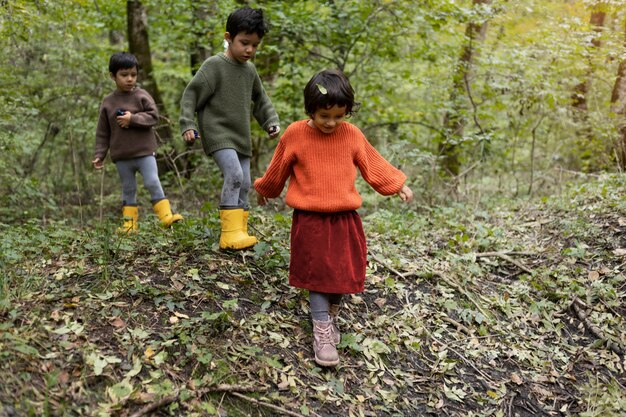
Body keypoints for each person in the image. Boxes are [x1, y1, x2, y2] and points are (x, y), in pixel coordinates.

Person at [254, 69, 414, 367]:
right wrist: (265, 188)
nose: (331, 123)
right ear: (311, 110)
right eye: (324, 116)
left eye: (338, 116)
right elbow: (278, 169)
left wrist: (396, 185)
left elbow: (373, 163)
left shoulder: (351, 134)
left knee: (342, 270)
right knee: (318, 274)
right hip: (310, 217)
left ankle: (331, 313)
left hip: (344, 217)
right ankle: (321, 328)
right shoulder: (295, 134)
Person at [179, 6, 280, 250]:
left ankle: (240, 232)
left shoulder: (250, 70)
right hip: (217, 132)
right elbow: (190, 95)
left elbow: (261, 99)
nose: (249, 50)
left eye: (255, 45)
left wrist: (270, 121)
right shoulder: (214, 65)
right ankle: (229, 234)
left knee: (245, 183)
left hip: (240, 135)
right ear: (228, 38)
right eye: (244, 43)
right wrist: (187, 124)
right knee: (234, 175)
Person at [93, 52, 183, 233]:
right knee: (128, 188)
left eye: (133, 75)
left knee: (152, 182)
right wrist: (99, 154)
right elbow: (103, 132)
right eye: (124, 75)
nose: (129, 79)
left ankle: (166, 217)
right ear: (113, 76)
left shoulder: (142, 96)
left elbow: (153, 117)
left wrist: (132, 118)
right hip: (121, 155)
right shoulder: (108, 102)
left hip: (144, 152)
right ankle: (129, 224)